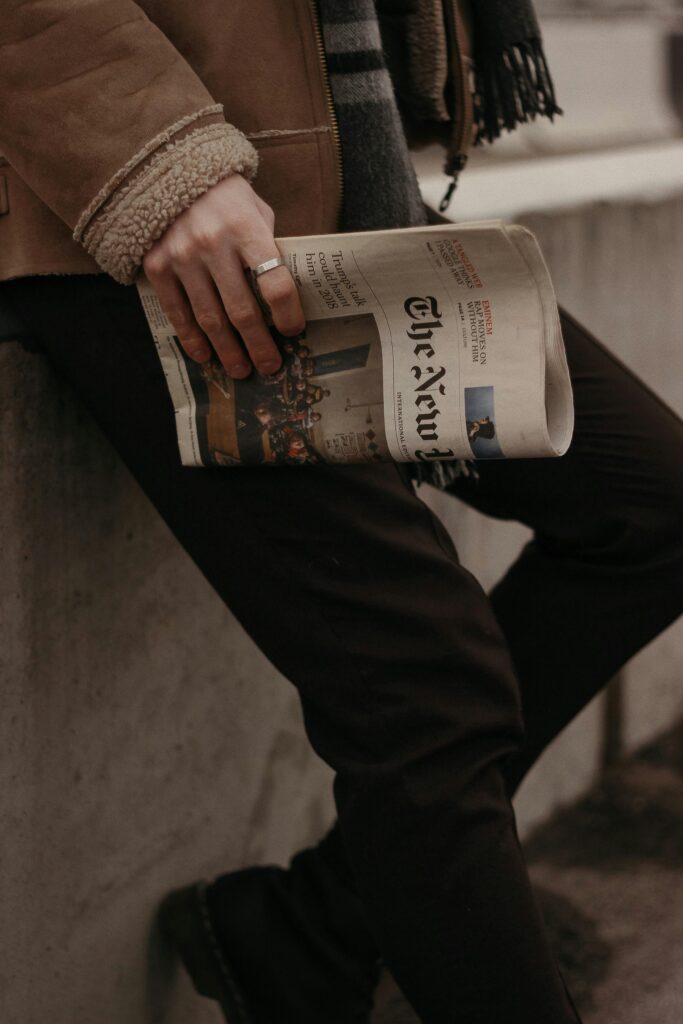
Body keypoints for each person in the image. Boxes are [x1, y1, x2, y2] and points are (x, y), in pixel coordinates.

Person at [1, 2, 681, 1023]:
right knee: (427, 684)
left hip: (339, 189)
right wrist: (151, 163)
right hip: (159, 223)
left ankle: (311, 935)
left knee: (651, 509)